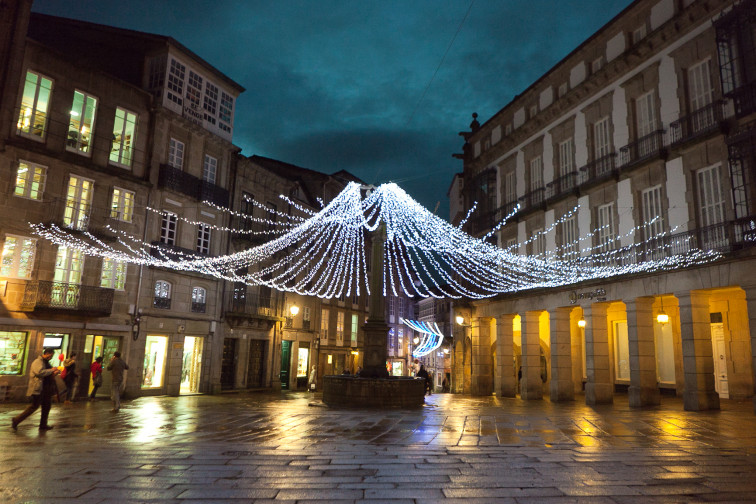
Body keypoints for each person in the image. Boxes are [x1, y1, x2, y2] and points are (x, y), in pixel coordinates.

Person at [12, 348, 60, 431]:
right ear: (47, 353)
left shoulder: (46, 362)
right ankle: (16, 420)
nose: (51, 357)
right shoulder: (38, 362)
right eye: (50, 355)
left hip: (46, 389)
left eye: (52, 356)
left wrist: (54, 373)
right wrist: (51, 370)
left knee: (47, 406)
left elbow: (47, 374)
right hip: (39, 388)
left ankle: (43, 424)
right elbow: (39, 372)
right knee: (34, 406)